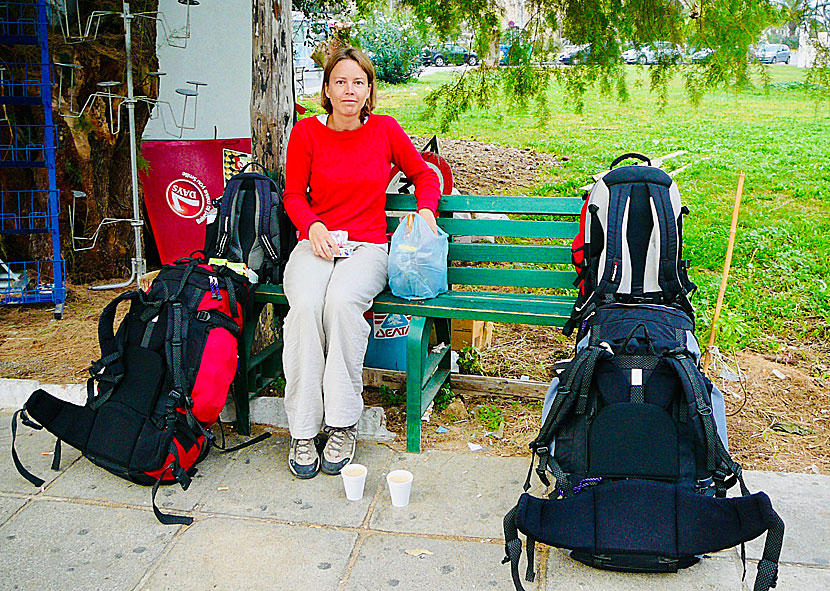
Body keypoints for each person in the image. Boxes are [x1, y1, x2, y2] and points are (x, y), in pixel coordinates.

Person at [281, 47, 441, 478]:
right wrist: (312, 226)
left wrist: (426, 209)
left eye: (358, 82)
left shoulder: (385, 130)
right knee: (306, 309)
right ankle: (301, 427)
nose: (349, 90)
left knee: (341, 305)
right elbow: (293, 194)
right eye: (340, 82)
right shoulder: (306, 134)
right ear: (327, 89)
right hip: (316, 244)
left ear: (370, 89)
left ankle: (342, 423)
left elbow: (426, 174)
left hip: (367, 246)